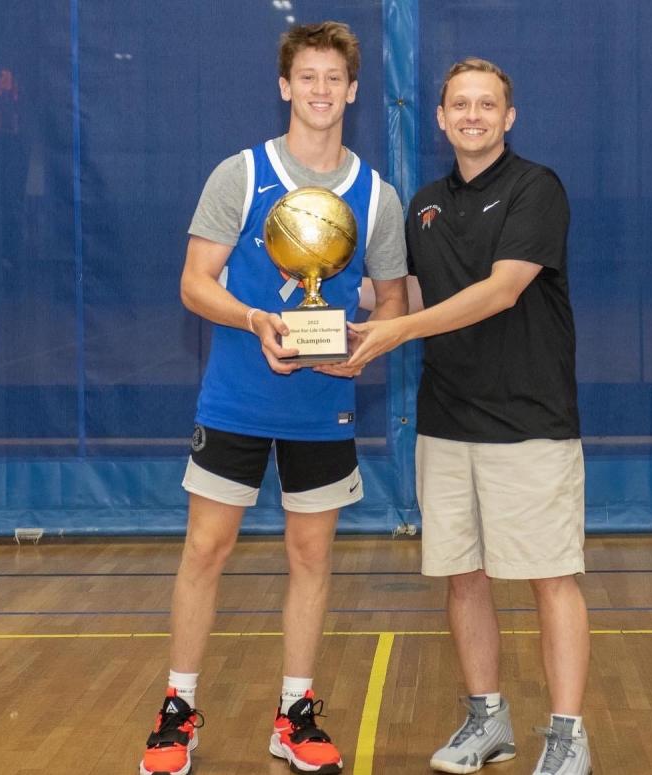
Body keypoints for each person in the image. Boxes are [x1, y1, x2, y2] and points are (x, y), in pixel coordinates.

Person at [138, 21, 408, 775]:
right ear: (286, 86)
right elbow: (195, 283)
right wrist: (255, 317)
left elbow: (391, 301)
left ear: (354, 91)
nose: (321, 91)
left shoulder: (377, 197)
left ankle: (294, 713)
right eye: (308, 77)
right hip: (236, 398)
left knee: (311, 555)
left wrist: (363, 346)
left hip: (322, 405)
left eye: (335, 79)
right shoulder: (241, 174)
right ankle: (176, 712)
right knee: (206, 549)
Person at [348, 58, 591, 775]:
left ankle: (569, 734)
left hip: (531, 421)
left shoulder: (536, 188)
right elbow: (415, 294)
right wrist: (322, 297)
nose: (474, 115)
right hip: (446, 421)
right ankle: (488, 720)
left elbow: (500, 291)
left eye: (488, 104)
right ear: (442, 118)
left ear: (508, 117)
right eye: (461, 104)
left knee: (552, 577)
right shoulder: (424, 203)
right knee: (464, 577)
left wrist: (397, 332)